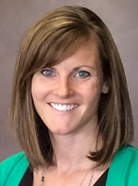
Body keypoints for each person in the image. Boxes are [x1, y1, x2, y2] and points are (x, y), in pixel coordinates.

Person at [0, 5, 138, 186]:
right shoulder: (5, 174)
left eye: (81, 74)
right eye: (48, 72)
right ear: (28, 82)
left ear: (107, 81)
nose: (63, 91)